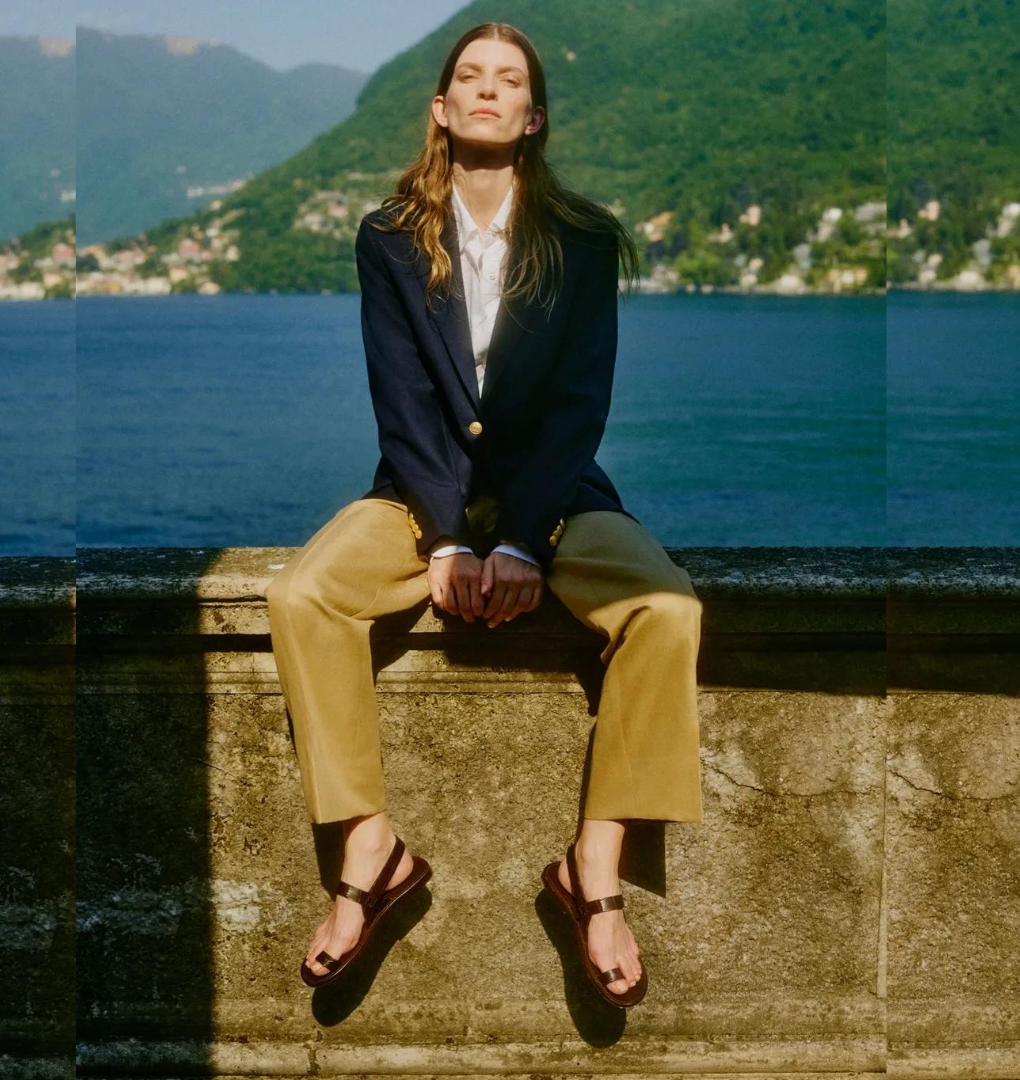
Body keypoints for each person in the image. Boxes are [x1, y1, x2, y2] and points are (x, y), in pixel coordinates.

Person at [264, 21, 703, 1009]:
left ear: (535, 114)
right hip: (418, 495)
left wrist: (516, 540)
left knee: (667, 610)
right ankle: (369, 856)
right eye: (471, 76)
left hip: (557, 497)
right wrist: (454, 536)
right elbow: (403, 401)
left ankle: (593, 876)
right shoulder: (386, 237)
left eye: (511, 80)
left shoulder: (585, 241)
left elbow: (579, 407)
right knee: (301, 597)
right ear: (442, 107)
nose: (490, 90)